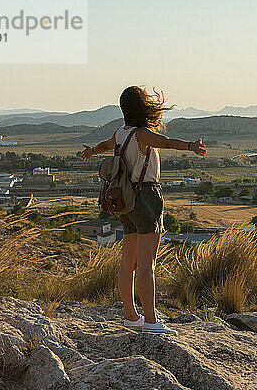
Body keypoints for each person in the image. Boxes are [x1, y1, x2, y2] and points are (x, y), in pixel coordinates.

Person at [80, 86, 206, 334]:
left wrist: (90, 151)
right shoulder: (143, 134)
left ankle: (130, 316)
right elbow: (167, 142)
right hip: (145, 198)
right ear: (143, 108)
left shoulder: (119, 132)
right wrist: (192, 146)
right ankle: (150, 321)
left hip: (124, 200)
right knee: (147, 265)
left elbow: (105, 145)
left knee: (128, 263)